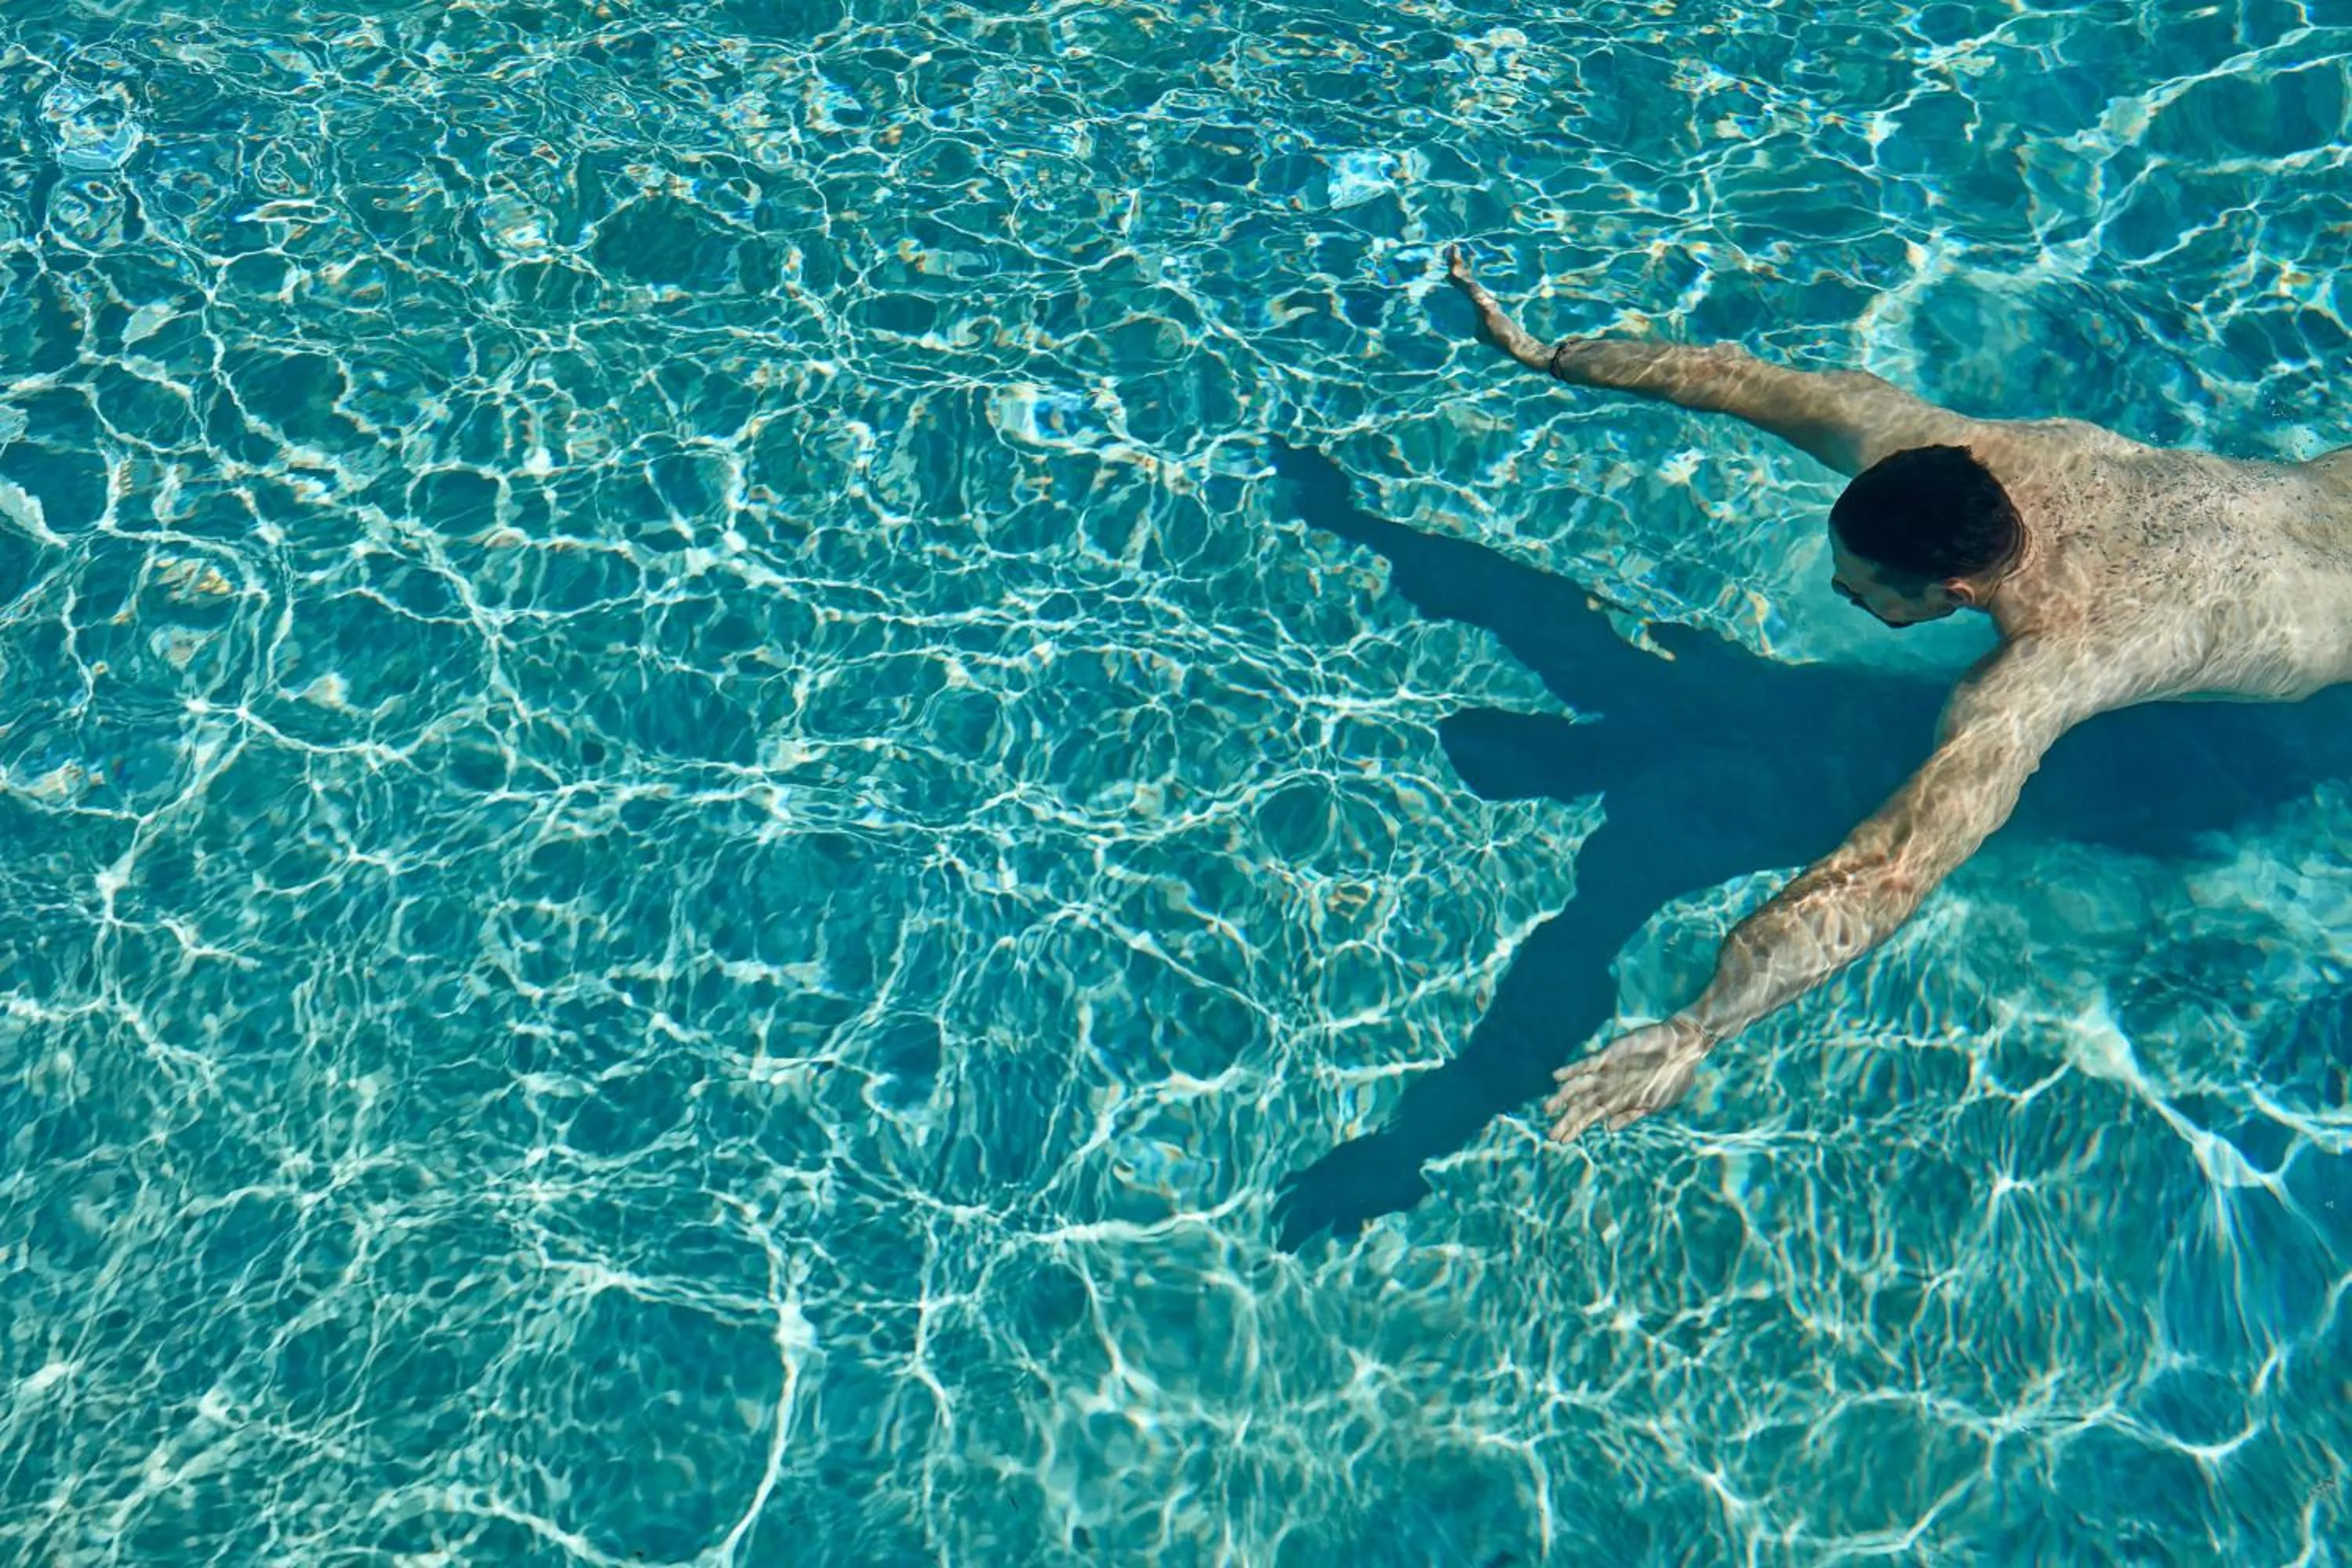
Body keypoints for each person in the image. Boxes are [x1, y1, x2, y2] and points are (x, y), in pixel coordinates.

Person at [1443, 244, 2352, 1144]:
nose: (1841, 589)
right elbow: (1734, 380)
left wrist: (1696, 1029)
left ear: (1952, 593)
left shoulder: (2054, 661)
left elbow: (1888, 871)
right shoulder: (1951, 453)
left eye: (1859, 592)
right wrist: (1547, 356)